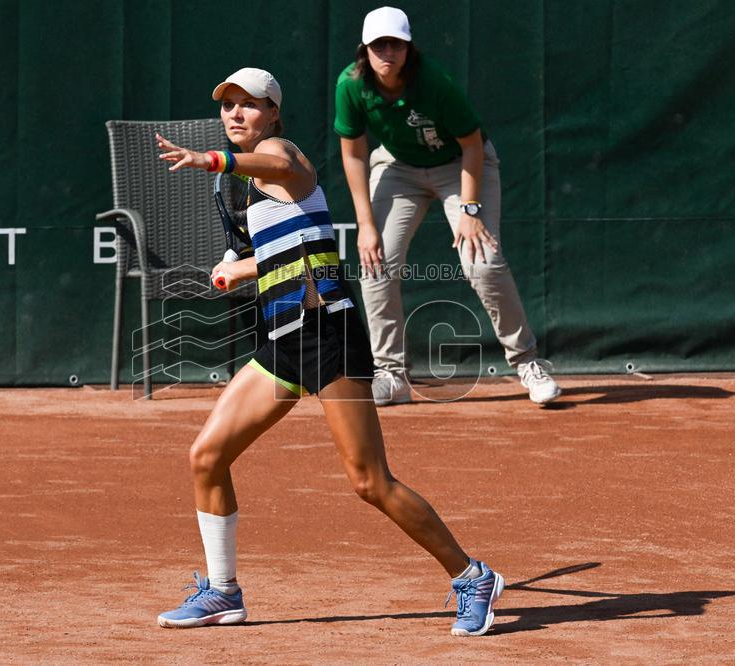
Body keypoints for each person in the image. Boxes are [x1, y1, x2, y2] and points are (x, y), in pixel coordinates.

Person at [154, 67, 503, 636]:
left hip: (327, 335)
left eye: (249, 104)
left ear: (274, 113)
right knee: (207, 456)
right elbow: (298, 247)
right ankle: (222, 592)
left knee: (370, 482)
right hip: (281, 339)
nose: (235, 114)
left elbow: (285, 169)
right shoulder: (238, 183)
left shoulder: (278, 153)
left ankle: (472, 576)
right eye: (228, 106)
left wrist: (211, 159)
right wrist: (238, 269)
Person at [335, 6, 561, 406]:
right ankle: (391, 373)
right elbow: (353, 154)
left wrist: (471, 211)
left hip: (461, 166)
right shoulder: (351, 86)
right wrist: (365, 224)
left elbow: (472, 144)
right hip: (398, 169)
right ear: (364, 50)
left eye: (396, 44)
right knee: (375, 263)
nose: (387, 52)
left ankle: (527, 361)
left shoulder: (435, 82)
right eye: (378, 45)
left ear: (408, 48)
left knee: (483, 262)